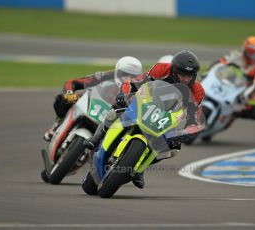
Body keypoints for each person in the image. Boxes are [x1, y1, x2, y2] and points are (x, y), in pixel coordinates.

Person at [84, 50, 205, 189]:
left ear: (194, 75)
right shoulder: (161, 69)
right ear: (173, 70)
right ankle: (97, 137)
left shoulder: (198, 91)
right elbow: (134, 81)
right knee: (118, 108)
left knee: (174, 148)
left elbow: (196, 120)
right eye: (181, 74)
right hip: (146, 103)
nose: (185, 79)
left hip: (168, 117)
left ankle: (140, 168)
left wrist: (184, 133)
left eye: (189, 76)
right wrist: (124, 94)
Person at [43, 56, 143, 141]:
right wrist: (69, 94)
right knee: (64, 98)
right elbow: (73, 82)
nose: (128, 79)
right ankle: (58, 123)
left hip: (111, 118)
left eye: (133, 76)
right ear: (118, 72)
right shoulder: (105, 76)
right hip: (93, 103)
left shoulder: (138, 89)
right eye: (125, 74)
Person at [214, 36, 255, 123]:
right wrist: (209, 73)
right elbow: (219, 63)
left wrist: (244, 95)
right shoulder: (236, 54)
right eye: (249, 53)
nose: (251, 57)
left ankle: (233, 115)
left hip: (247, 89)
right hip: (230, 81)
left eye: (254, 54)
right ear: (244, 50)